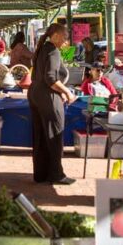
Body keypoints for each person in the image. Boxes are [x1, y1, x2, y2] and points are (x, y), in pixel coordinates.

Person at [29, 23, 75, 185]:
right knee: (55, 135)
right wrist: (67, 92)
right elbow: (51, 79)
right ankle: (56, 174)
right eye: (65, 36)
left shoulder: (43, 49)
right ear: (55, 35)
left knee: (40, 135)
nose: (66, 40)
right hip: (47, 96)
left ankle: (40, 174)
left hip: (35, 94)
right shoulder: (53, 51)